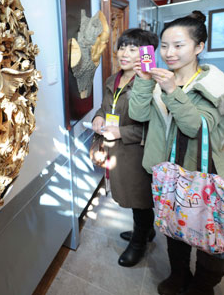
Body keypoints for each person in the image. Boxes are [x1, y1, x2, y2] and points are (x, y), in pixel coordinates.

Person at [129, 11, 224, 295]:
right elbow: (137, 113)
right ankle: (179, 275)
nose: (168, 53)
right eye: (163, 45)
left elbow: (195, 129)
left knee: (208, 234)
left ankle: (203, 285)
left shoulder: (214, 85)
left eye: (178, 45)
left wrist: (173, 91)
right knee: (176, 228)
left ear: (199, 47)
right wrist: (143, 80)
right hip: (167, 171)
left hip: (202, 172)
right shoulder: (159, 78)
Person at [90, 28, 159, 267]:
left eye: (133, 49)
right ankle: (145, 231)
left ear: (147, 54)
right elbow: (105, 108)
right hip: (117, 149)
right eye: (122, 47)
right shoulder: (113, 79)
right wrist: (98, 117)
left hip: (138, 152)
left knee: (140, 199)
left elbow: (157, 128)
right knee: (132, 198)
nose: (124, 53)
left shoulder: (152, 83)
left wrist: (122, 132)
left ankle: (140, 242)